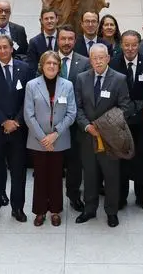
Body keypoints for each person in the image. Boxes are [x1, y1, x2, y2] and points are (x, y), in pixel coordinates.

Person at [74, 43, 130, 228]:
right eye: (94, 58)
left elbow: (124, 107)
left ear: (108, 58)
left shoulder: (119, 79)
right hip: (88, 136)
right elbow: (77, 107)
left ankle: (111, 212)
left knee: (111, 175)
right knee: (89, 175)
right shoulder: (81, 78)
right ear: (90, 60)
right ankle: (89, 209)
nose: (98, 61)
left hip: (110, 138)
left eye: (101, 58)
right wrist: (87, 126)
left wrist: (105, 126)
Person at [0, 35, 34, 223]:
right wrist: (4, 121)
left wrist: (16, 121)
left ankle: (17, 208)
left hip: (19, 129)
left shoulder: (25, 69)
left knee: (18, 171)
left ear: (12, 48)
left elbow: (28, 98)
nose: (3, 51)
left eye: (6, 47)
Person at [24, 51, 77, 227]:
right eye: (48, 63)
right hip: (38, 139)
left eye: (55, 63)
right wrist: (43, 138)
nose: (52, 66)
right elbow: (28, 115)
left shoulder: (67, 85)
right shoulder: (32, 85)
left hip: (59, 139)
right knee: (40, 176)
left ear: (59, 66)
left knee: (56, 176)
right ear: (42, 66)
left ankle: (55, 210)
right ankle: (40, 211)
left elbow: (71, 113)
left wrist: (55, 134)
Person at [108, 30, 143, 211]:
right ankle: (121, 197)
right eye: (126, 45)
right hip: (120, 122)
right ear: (121, 45)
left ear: (139, 45)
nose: (130, 48)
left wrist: (141, 109)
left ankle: (141, 196)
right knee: (120, 160)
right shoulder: (113, 63)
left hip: (142, 121)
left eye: (134, 45)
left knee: (142, 159)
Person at [56, 25, 92, 212]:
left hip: (75, 123)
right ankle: (52, 197)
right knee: (54, 163)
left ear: (75, 41)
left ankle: (73, 195)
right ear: (57, 40)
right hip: (53, 123)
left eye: (70, 39)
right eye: (63, 38)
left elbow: (87, 93)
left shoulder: (85, 62)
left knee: (74, 163)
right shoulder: (49, 59)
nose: (66, 42)